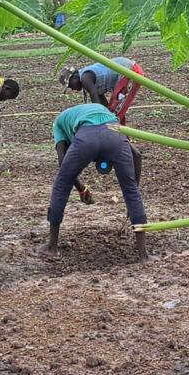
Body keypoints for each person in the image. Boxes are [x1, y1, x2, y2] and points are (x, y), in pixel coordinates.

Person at [43, 103, 147, 261]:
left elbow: (63, 163)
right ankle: (143, 255)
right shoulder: (64, 121)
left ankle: (52, 248)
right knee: (130, 190)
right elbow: (137, 155)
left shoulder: (61, 123)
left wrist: (80, 189)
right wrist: (134, 198)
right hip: (114, 133)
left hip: (87, 137)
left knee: (61, 184)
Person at [60, 56, 145, 124]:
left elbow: (94, 96)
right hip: (126, 74)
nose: (72, 88)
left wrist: (99, 117)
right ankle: (122, 140)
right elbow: (101, 103)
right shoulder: (88, 81)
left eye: (70, 85)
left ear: (75, 76)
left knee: (114, 115)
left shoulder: (85, 77)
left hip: (131, 71)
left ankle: (119, 140)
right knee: (113, 112)